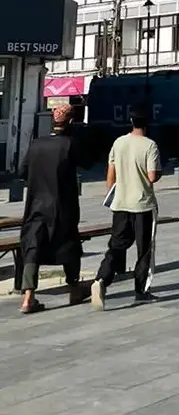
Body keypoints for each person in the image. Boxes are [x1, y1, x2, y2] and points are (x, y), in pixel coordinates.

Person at [18, 105, 90, 314]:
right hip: (62, 205)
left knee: (33, 246)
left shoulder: (36, 145)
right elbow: (87, 162)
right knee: (69, 245)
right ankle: (74, 288)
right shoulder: (70, 144)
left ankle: (28, 297)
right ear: (70, 123)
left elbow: (23, 172)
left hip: (36, 205)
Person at [91, 107, 161, 310]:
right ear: (147, 123)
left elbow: (110, 172)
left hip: (120, 203)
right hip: (142, 204)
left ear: (131, 121)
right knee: (144, 249)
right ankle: (141, 290)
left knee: (117, 245)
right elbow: (151, 176)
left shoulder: (118, 143)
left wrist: (111, 194)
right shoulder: (150, 146)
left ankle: (101, 279)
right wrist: (159, 172)